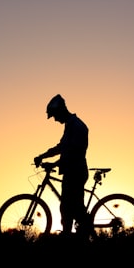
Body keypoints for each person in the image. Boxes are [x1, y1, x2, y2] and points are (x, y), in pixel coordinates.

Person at [34, 94, 90, 238]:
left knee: (72, 207)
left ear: (61, 110)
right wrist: (43, 156)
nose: (54, 119)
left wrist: (54, 163)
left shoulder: (77, 126)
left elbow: (73, 153)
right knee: (67, 207)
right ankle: (69, 235)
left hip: (76, 172)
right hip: (70, 171)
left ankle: (84, 234)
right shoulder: (70, 125)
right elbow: (62, 148)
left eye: (54, 115)